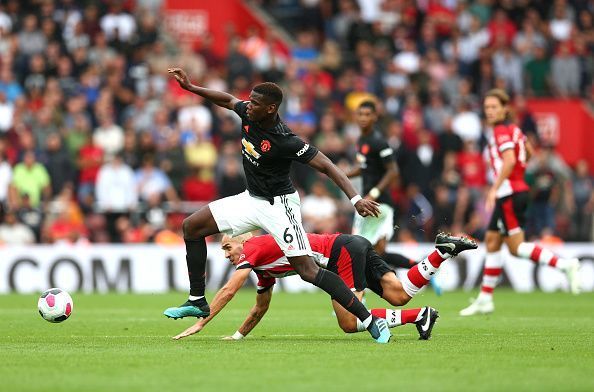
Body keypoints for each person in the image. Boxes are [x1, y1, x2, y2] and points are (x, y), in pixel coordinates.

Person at [164, 68, 390, 343]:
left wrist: (355, 199)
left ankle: (369, 320)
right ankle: (197, 299)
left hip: (280, 206)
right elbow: (226, 100)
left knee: (308, 271)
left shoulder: (285, 140)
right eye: (250, 100)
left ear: (271, 109)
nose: (249, 105)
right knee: (191, 226)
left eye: (256, 103)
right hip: (251, 198)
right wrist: (192, 88)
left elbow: (328, 165)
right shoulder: (249, 112)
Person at [172, 232, 477, 341]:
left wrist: (201, 323)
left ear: (242, 240)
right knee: (399, 295)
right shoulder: (263, 268)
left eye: (227, 247)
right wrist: (237, 336)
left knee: (347, 322)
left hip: (340, 252)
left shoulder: (254, 247)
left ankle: (411, 318)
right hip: (350, 245)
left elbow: (228, 290)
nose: (226, 254)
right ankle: (441, 252)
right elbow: (260, 308)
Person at [460, 89, 581, 317]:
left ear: (505, 109)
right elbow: (529, 151)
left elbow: (509, 159)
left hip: (509, 194)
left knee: (516, 248)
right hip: (515, 190)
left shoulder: (500, 131)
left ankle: (565, 265)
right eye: (487, 107)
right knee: (493, 240)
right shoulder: (515, 129)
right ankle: (485, 299)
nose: (490, 111)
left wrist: (494, 188)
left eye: (495, 107)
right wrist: (519, 172)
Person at [346, 100, 442, 293]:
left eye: (367, 114)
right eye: (360, 114)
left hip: (377, 204)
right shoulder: (362, 140)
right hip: (371, 203)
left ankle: (357, 299)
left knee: (356, 250)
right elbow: (364, 168)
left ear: (375, 117)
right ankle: (422, 269)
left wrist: (374, 192)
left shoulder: (379, 141)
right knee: (377, 253)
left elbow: (393, 171)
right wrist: (341, 174)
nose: (363, 118)